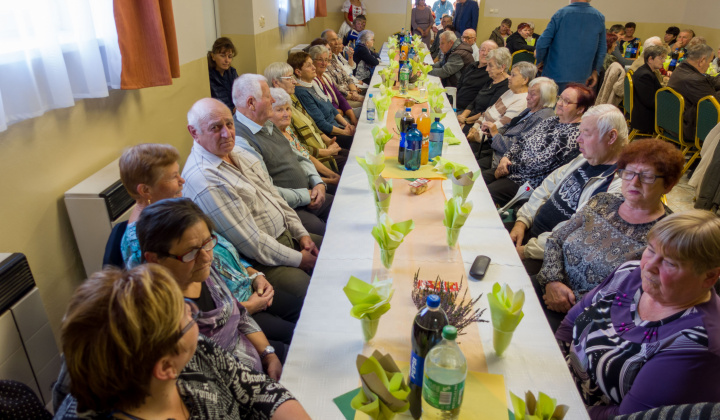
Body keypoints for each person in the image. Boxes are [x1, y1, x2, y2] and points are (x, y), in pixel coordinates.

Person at [53, 264, 310, 419]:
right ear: (165, 368)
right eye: (186, 315)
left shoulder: (195, 349)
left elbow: (259, 389)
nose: (193, 311)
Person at [555, 210, 720, 418]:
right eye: (650, 250)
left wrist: (555, 405)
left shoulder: (697, 342)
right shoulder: (630, 273)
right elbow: (570, 323)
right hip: (559, 382)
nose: (649, 267)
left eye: (670, 263)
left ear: (710, 276)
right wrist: (549, 370)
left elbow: (626, 415)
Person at [536, 138, 683, 332]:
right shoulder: (602, 201)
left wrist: (567, 300)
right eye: (628, 173)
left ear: (669, 185)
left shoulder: (667, 235)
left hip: (590, 320)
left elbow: (638, 296)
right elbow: (556, 239)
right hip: (548, 288)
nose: (634, 182)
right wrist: (552, 281)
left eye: (646, 176)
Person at [182, 98, 320, 299]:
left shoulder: (236, 151)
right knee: (313, 292)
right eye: (215, 127)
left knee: (336, 255)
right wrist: (300, 259)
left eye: (229, 124)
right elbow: (252, 243)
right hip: (261, 263)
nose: (227, 133)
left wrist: (302, 235)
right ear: (194, 132)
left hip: (286, 238)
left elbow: (274, 197)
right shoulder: (204, 179)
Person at [137, 199, 293, 376]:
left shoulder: (204, 272)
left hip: (252, 355)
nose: (206, 258)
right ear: (154, 259)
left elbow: (238, 314)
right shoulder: (170, 317)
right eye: (191, 252)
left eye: (208, 243)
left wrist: (268, 355)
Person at [510, 105, 626, 275]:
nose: (578, 139)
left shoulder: (618, 185)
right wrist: (522, 221)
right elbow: (547, 185)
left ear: (611, 137)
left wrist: (527, 250)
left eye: (586, 134)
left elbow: (574, 230)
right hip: (529, 232)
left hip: (548, 255)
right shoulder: (585, 158)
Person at [231, 74, 333, 237]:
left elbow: (300, 156)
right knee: (325, 232)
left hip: (309, 193)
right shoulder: (241, 140)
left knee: (342, 206)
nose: (272, 100)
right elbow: (266, 190)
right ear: (251, 103)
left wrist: (317, 181)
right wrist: (305, 196)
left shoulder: (267, 122)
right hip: (287, 207)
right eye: (267, 96)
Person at [486, 83, 593, 206]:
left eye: (566, 101)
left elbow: (539, 164)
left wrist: (507, 168)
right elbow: (522, 140)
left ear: (581, 109)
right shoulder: (551, 120)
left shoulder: (574, 135)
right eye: (560, 98)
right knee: (474, 179)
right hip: (510, 168)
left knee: (484, 194)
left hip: (525, 183)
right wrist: (506, 157)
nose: (559, 103)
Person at [264, 62, 347, 174]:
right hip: (314, 159)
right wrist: (325, 152)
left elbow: (312, 124)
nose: (294, 81)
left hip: (322, 147)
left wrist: (329, 142)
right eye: (289, 78)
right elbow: (297, 145)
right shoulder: (278, 111)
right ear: (276, 82)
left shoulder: (292, 97)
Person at [118, 144, 185, 269]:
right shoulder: (145, 244)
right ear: (145, 190)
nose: (182, 180)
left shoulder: (166, 211)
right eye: (173, 176)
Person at [270, 88, 340, 193]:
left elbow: (306, 156)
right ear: (268, 112)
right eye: (279, 110)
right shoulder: (273, 136)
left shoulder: (287, 129)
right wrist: (327, 180)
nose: (286, 114)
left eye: (288, 109)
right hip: (301, 187)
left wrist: (332, 175)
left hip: (313, 175)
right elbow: (294, 173)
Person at [483, 77, 557, 171]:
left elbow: (518, 146)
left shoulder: (542, 118)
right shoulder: (531, 109)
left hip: (505, 161)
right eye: (528, 92)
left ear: (544, 98)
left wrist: (495, 134)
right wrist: (492, 132)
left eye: (532, 94)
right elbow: (509, 126)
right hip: (498, 150)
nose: (527, 97)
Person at [535, 0, 606, 92]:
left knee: (552, 104)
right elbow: (602, 49)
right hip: (583, 77)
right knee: (576, 105)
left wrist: (540, 60)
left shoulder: (561, 14)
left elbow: (542, 43)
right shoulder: (599, 17)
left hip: (554, 74)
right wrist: (595, 71)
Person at [290, 52, 356, 146]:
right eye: (309, 66)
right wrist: (344, 132)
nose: (314, 67)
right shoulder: (302, 92)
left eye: (312, 64)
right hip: (330, 135)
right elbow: (321, 124)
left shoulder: (312, 84)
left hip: (338, 127)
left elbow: (332, 108)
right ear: (298, 72)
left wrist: (347, 125)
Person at [467, 61, 535, 145]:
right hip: (478, 130)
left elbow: (501, 126)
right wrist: (474, 127)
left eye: (513, 75)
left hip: (486, 141)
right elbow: (488, 111)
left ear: (525, 80)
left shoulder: (522, 101)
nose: (509, 77)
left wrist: (476, 136)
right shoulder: (510, 91)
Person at [667, 44, 720, 143]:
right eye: (709, 62)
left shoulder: (682, 68)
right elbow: (714, 105)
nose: (709, 65)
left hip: (673, 122)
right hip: (689, 128)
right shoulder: (694, 79)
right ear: (702, 60)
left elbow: (711, 80)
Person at [457, 47, 510, 130]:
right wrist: (462, 116)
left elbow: (487, 112)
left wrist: (466, 120)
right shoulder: (491, 80)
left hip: (480, 125)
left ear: (502, 67)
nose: (487, 69)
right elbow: (474, 101)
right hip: (469, 118)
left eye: (490, 66)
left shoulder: (506, 86)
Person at [308, 46, 359, 125]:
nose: (324, 63)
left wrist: (352, 117)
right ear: (312, 61)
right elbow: (326, 108)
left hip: (341, 114)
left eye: (326, 60)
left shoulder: (326, 77)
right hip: (333, 120)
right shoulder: (312, 82)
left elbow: (340, 98)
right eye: (320, 60)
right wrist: (340, 113)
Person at [631, 45, 667, 135]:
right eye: (661, 58)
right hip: (646, 119)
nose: (664, 61)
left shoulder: (646, 71)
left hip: (644, 113)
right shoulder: (645, 75)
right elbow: (650, 101)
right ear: (650, 59)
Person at [322, 29, 364, 106]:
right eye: (334, 40)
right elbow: (336, 88)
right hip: (343, 97)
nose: (338, 43)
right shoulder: (323, 68)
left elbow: (347, 77)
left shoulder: (333, 60)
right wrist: (354, 94)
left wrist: (354, 90)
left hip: (350, 90)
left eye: (338, 42)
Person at [455, 40, 498, 110]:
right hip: (455, 105)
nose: (485, 53)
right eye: (483, 50)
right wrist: (451, 102)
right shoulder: (472, 65)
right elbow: (459, 84)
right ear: (479, 51)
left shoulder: (491, 74)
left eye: (489, 51)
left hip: (467, 111)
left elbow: (480, 99)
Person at [207, 37, 239, 112]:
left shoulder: (232, 72)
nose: (227, 60)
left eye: (230, 56)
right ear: (213, 56)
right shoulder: (209, 76)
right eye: (222, 56)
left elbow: (241, 94)